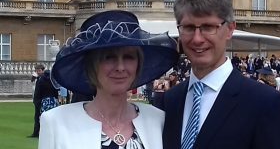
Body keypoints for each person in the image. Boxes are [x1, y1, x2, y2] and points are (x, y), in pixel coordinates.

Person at [162, 0, 280, 149]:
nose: (197, 39)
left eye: (208, 27)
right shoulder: (171, 99)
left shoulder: (266, 103)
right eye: (188, 27)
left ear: (230, 29)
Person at [38, 10, 179, 149]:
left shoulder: (158, 120)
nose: (120, 67)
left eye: (128, 57)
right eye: (109, 57)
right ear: (92, 65)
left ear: (138, 64)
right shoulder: (56, 122)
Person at [28, 64, 45, 138]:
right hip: (37, 100)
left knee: (42, 117)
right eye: (37, 70)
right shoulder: (37, 78)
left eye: (39, 70)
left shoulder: (44, 79)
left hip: (42, 101)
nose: (38, 72)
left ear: (43, 70)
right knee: (36, 117)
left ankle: (41, 133)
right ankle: (35, 133)